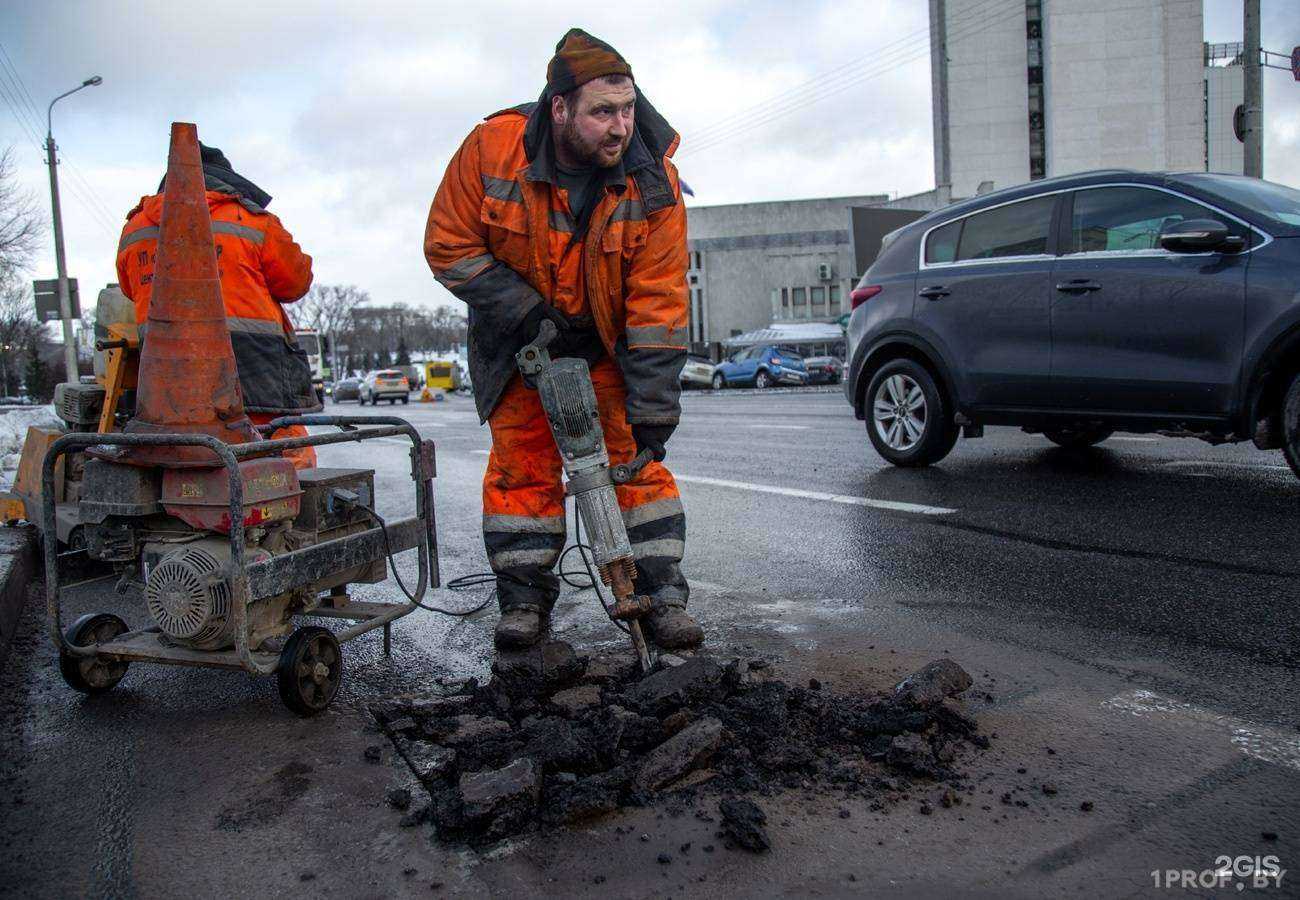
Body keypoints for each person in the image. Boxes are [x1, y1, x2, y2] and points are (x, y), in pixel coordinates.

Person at [425, 28, 702, 652]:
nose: (620, 127)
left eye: (627, 110)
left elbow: (658, 299)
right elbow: (448, 246)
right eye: (603, 112)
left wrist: (655, 402)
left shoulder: (653, 182)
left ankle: (662, 595)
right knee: (522, 470)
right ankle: (524, 601)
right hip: (523, 346)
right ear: (559, 108)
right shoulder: (493, 149)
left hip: (606, 347)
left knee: (636, 468)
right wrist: (527, 313)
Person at [115, 143, 320, 468]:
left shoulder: (135, 230)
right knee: (286, 463)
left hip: (168, 387)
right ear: (225, 180)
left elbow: (129, 289)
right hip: (255, 374)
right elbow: (296, 281)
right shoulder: (252, 221)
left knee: (182, 461)